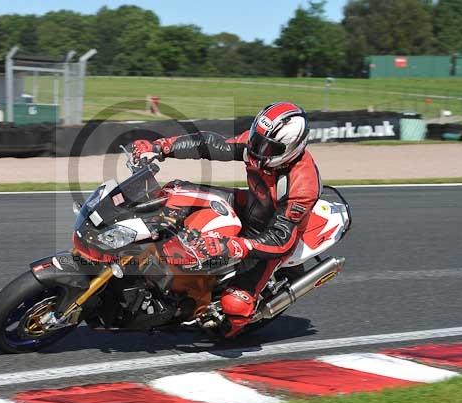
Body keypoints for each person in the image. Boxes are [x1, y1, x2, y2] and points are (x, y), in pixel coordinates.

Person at [129, 102, 320, 337]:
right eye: (256, 139)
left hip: (268, 238)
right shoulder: (256, 146)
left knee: (234, 306)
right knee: (175, 192)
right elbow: (212, 144)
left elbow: (282, 239)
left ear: (292, 148)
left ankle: (233, 326)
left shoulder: (302, 185)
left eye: (269, 147)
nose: (258, 149)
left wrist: (238, 245)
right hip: (249, 204)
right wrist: (160, 147)